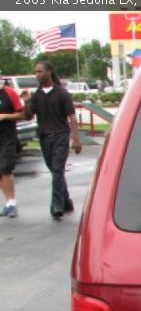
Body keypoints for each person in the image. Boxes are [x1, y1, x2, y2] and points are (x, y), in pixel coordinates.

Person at [24, 61, 82, 220]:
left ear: (49, 72)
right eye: (35, 72)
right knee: (56, 172)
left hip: (60, 136)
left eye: (40, 71)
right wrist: (27, 103)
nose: (37, 75)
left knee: (57, 170)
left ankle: (57, 205)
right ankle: (67, 201)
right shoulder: (37, 95)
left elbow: (71, 116)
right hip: (44, 137)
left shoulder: (61, 93)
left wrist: (75, 138)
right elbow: (28, 116)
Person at [0, 78, 25, 218]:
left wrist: (4, 116)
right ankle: (8, 202)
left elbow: (21, 114)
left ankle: (13, 202)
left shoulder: (9, 93)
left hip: (7, 136)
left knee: (6, 168)